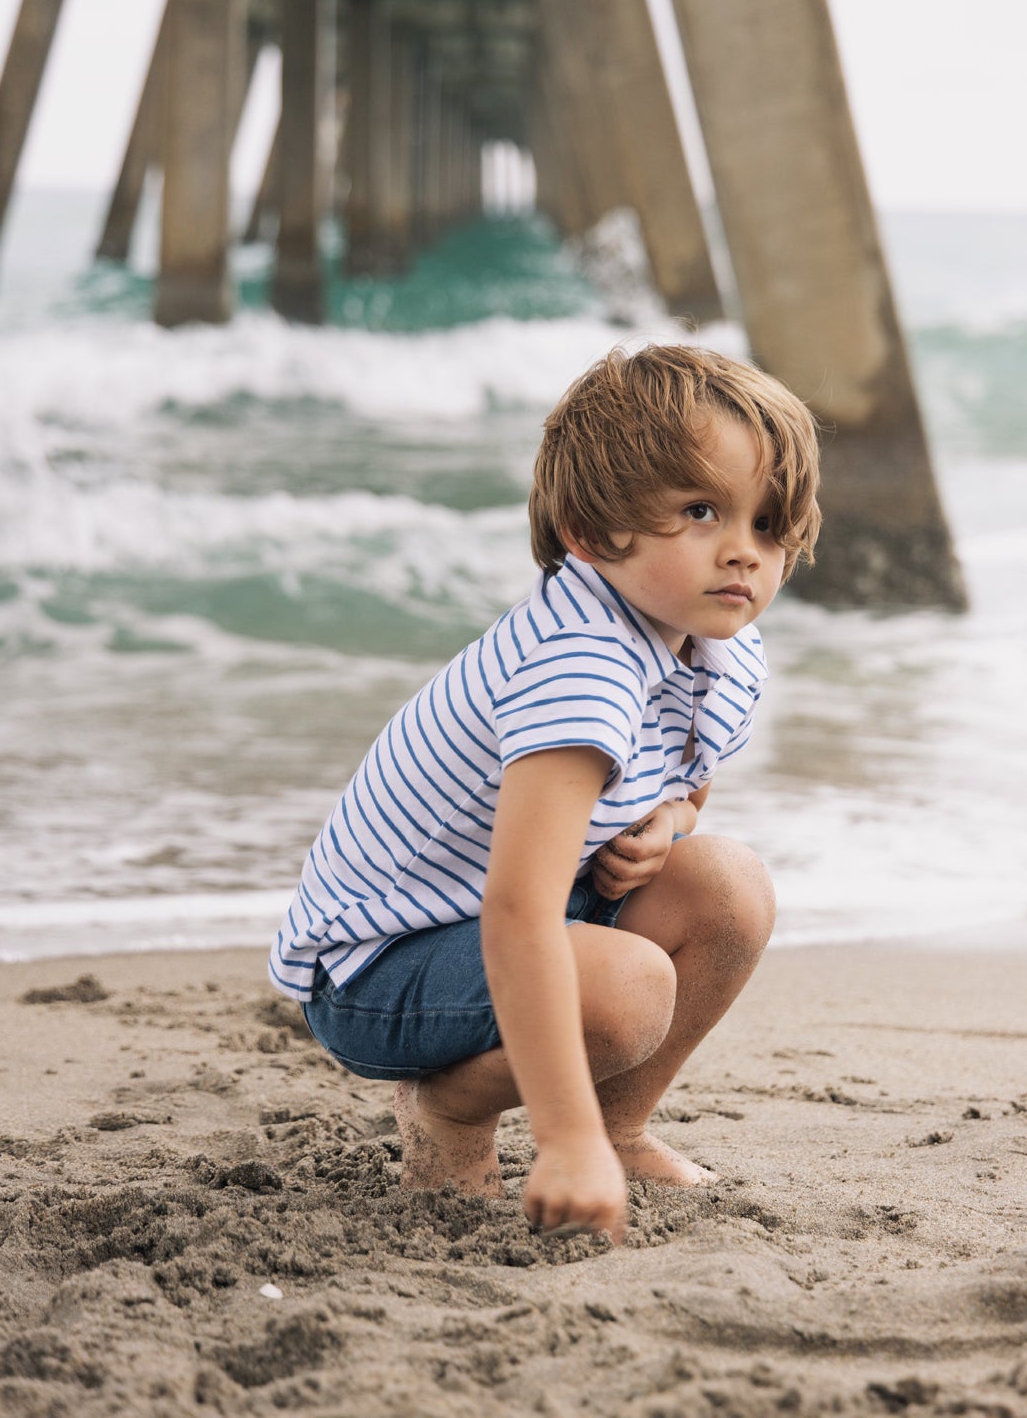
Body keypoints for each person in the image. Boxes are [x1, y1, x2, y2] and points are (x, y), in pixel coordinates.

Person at [269, 343, 821, 1243]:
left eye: (767, 525)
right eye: (700, 510)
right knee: (630, 990)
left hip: (515, 915)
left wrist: (668, 823)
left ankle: (621, 1126)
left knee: (732, 886)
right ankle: (451, 1114)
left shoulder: (717, 643)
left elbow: (688, 783)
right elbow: (517, 910)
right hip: (377, 964)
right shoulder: (581, 666)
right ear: (592, 531)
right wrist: (558, 1145)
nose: (743, 554)